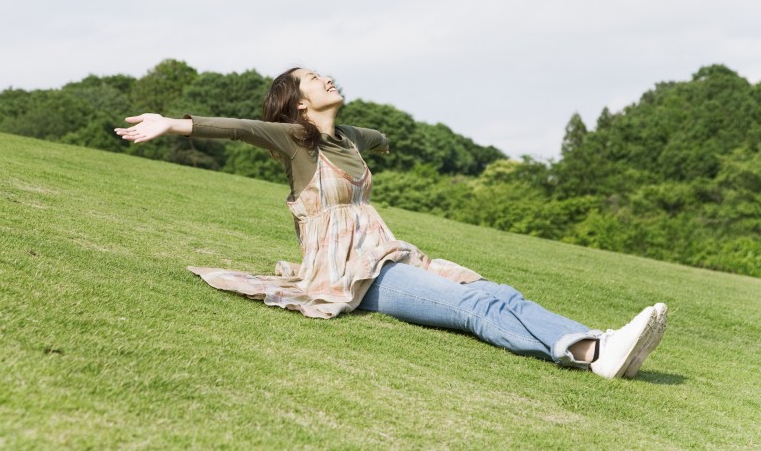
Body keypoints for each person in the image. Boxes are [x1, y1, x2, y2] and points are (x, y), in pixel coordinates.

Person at [115, 67, 667, 379]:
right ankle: (593, 351)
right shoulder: (293, 139)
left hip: (385, 254)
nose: (326, 77)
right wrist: (173, 124)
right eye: (313, 78)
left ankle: (596, 344)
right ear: (298, 105)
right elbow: (235, 128)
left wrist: (367, 136)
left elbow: (375, 138)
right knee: (476, 307)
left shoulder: (349, 138)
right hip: (349, 272)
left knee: (492, 290)